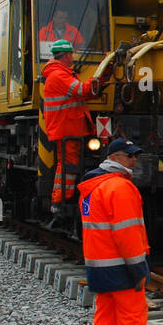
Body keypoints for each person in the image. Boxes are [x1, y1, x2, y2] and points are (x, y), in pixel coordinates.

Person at [78, 139, 163, 325]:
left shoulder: (92, 187)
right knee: (134, 316)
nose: (134, 161)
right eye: (130, 156)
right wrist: (139, 268)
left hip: (98, 265)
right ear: (116, 158)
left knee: (105, 314)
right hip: (121, 266)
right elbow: (127, 234)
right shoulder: (120, 188)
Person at [40, 39, 104, 220]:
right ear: (67, 55)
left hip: (67, 128)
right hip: (66, 128)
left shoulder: (60, 74)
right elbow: (81, 90)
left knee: (68, 165)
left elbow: (82, 93)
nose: (73, 58)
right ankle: (60, 203)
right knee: (67, 166)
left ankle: (61, 201)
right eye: (72, 54)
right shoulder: (59, 75)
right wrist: (99, 78)